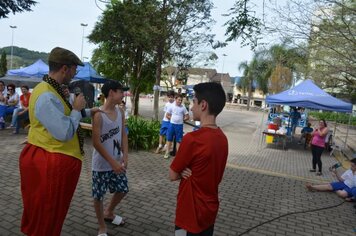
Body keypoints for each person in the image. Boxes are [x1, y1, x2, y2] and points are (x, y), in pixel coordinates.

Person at [18, 47, 87, 236]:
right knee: (48, 214)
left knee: (47, 212)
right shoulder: (47, 95)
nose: (75, 73)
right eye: (74, 69)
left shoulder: (50, 90)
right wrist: (76, 109)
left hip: (50, 157)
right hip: (52, 161)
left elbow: (60, 117)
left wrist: (87, 112)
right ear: (65, 69)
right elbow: (64, 131)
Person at [169, 82, 228, 236]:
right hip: (209, 211)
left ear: (203, 105)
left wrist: (182, 171)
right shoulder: (223, 138)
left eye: (194, 101)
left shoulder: (192, 139)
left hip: (189, 214)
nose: (191, 106)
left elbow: (172, 175)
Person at [92, 80, 129, 236]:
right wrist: (112, 162)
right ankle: (102, 227)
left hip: (117, 163)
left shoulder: (120, 112)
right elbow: (96, 143)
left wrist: (125, 155)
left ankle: (109, 212)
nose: (123, 94)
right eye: (121, 92)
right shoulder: (99, 115)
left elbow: (123, 134)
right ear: (111, 93)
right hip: (101, 165)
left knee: (123, 189)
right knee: (98, 195)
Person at [164, 93, 189, 159]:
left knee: (179, 140)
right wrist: (171, 119)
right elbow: (167, 115)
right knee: (169, 139)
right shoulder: (171, 106)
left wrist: (183, 120)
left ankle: (178, 155)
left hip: (179, 126)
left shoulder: (183, 107)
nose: (180, 101)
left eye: (181, 100)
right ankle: (167, 152)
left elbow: (187, 116)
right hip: (172, 125)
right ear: (175, 99)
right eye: (179, 100)